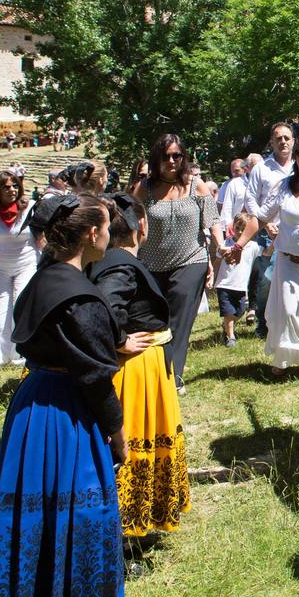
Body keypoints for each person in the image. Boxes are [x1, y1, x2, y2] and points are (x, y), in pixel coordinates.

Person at [0, 193, 126, 597]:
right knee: (72, 509)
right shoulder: (80, 298)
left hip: (31, 406)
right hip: (64, 414)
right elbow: (94, 377)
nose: (109, 234)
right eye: (106, 227)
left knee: (33, 513)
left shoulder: (43, 279)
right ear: (92, 234)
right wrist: (117, 432)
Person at [88, 192, 190, 540]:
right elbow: (105, 308)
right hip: (135, 371)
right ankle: (123, 531)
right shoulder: (119, 264)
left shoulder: (113, 259)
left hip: (145, 367)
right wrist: (120, 339)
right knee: (131, 442)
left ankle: (134, 521)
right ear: (141, 227)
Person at [231, 135, 299, 385]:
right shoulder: (284, 187)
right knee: (287, 312)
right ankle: (283, 359)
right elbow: (260, 218)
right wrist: (239, 245)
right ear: (295, 157)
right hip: (288, 262)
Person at [132, 134, 222, 392]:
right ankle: (152, 372)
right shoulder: (145, 189)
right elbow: (132, 223)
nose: (172, 161)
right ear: (156, 158)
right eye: (166, 156)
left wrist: (221, 247)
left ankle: (173, 378)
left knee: (180, 319)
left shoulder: (197, 186)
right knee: (156, 320)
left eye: (177, 156)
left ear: (184, 157)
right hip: (152, 263)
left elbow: (212, 220)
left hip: (190, 259)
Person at [0, 170, 38, 369]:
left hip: (26, 263)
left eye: (14, 185)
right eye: (6, 187)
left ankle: (20, 353)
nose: (12, 190)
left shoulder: (29, 207)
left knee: (20, 304)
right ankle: (0, 355)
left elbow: (41, 236)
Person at [247, 123, 296, 341]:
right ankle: (264, 322)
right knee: (267, 278)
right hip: (270, 232)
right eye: (279, 138)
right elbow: (250, 199)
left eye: (287, 137)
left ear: (293, 140)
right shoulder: (262, 169)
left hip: (296, 231)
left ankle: (290, 322)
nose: (283, 141)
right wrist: (265, 223)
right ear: (272, 142)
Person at [214, 212, 259, 347]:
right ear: (232, 227)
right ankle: (231, 337)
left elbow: (266, 252)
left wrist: (275, 242)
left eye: (243, 229)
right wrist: (212, 277)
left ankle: (227, 325)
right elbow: (217, 260)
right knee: (228, 312)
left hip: (240, 286)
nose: (239, 232)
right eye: (237, 228)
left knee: (239, 311)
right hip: (224, 284)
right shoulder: (225, 244)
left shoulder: (252, 246)